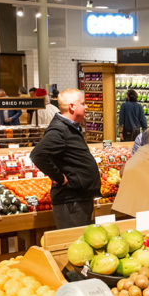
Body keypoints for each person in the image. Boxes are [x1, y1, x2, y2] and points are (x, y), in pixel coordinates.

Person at [30, 89, 101, 229]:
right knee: (74, 244)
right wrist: (60, 178)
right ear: (72, 106)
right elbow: (38, 154)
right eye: (83, 103)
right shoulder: (59, 130)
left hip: (78, 199)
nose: (86, 107)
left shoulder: (69, 127)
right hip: (71, 202)